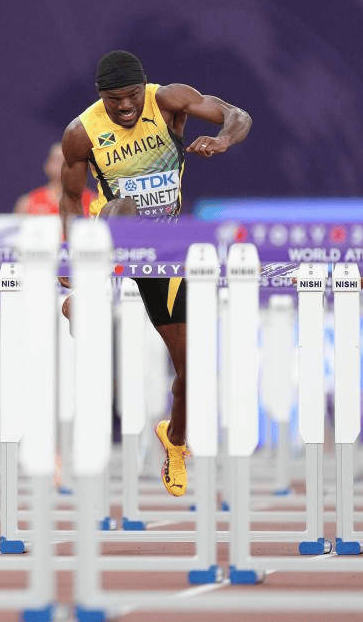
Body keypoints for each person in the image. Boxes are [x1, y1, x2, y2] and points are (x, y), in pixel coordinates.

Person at [59, 50, 251, 496]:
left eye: (131, 97)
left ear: (143, 88)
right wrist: (71, 254)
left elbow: (237, 114)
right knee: (123, 207)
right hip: (113, 236)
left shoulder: (169, 100)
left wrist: (223, 139)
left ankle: (175, 439)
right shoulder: (81, 132)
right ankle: (92, 291)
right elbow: (69, 198)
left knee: (192, 368)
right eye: (114, 100)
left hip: (165, 255)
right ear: (100, 96)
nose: (125, 107)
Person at [14, 142, 97, 215]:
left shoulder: (94, 202)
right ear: (47, 165)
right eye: (58, 160)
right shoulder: (28, 204)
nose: (64, 165)